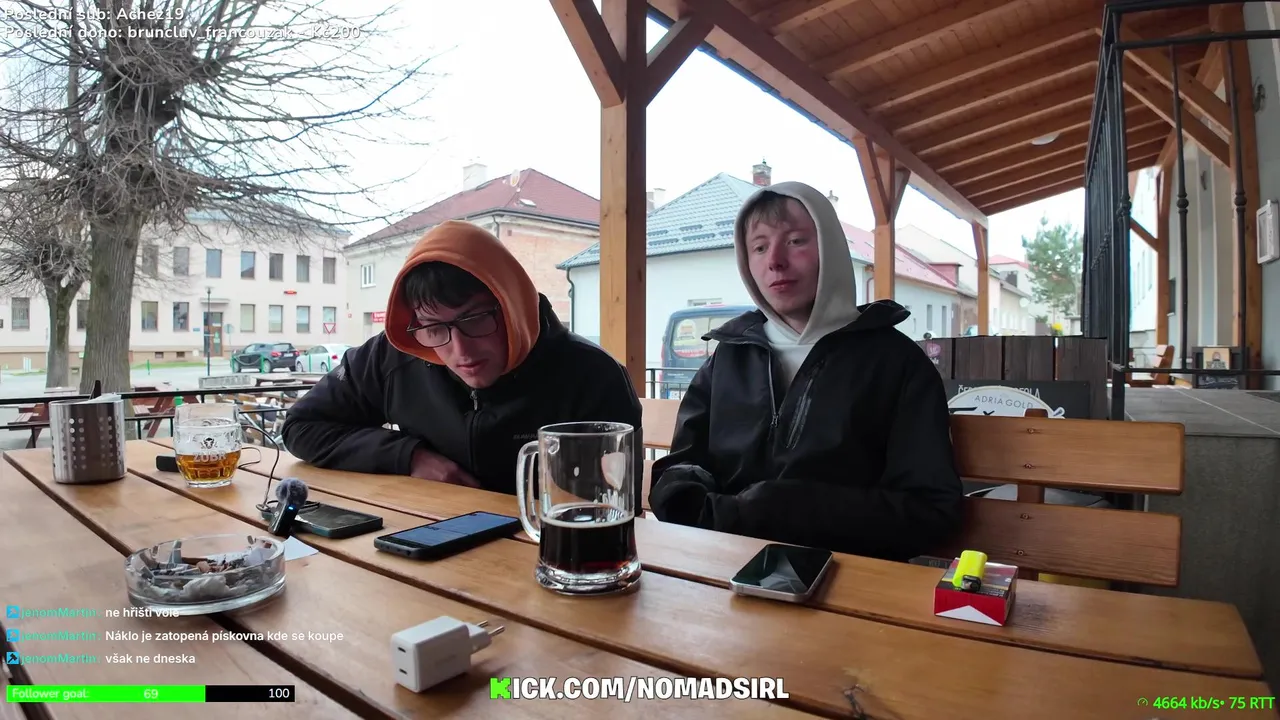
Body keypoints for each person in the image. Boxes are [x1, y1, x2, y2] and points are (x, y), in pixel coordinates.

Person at [647, 182, 963, 562]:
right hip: (722, 563)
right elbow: (682, 467)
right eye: (759, 247)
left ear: (831, 249)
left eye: (795, 241)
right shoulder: (729, 356)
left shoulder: (897, 363)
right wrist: (697, 502)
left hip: (848, 574)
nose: (775, 261)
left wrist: (785, 509)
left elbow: (929, 509)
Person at [281, 220, 644, 504]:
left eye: (475, 319)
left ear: (513, 304)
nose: (461, 350)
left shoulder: (592, 376)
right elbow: (301, 427)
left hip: (544, 552)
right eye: (434, 327)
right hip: (424, 535)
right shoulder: (395, 355)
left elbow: (613, 502)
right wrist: (410, 457)